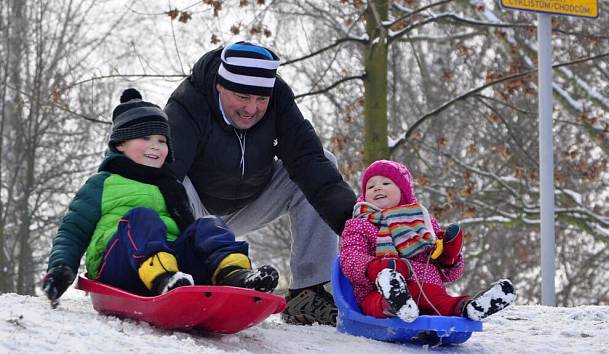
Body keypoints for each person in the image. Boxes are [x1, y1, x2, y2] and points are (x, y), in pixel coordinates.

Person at [163, 41, 357, 326]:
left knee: (322, 161)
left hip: (252, 202)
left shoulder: (279, 99)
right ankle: (171, 269)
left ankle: (308, 291)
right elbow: (165, 176)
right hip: (195, 211)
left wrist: (358, 229)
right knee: (171, 180)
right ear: (220, 85)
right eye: (242, 96)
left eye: (260, 99)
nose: (251, 109)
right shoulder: (188, 103)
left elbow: (310, 163)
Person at [42, 89, 279, 308]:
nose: (155, 147)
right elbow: (73, 231)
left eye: (162, 141)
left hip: (176, 268)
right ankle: (164, 279)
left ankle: (234, 275)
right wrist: (61, 269)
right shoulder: (102, 183)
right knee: (143, 217)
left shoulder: (171, 186)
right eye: (144, 138)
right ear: (121, 144)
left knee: (208, 224)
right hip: (117, 264)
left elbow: (191, 232)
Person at [340, 160, 516, 322]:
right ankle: (395, 303)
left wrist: (448, 257)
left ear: (404, 192)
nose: (377, 188)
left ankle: (470, 308)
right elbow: (350, 258)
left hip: (427, 289)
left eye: (386, 183)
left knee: (443, 302)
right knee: (376, 302)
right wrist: (378, 268)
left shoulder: (423, 223)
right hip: (376, 289)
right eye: (370, 186)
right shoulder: (360, 224)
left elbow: (448, 275)